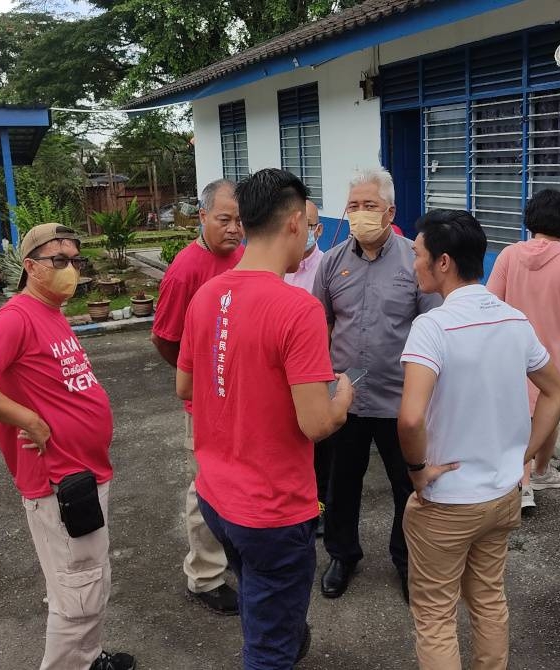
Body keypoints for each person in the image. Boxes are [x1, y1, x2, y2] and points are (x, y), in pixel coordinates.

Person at [176, 168, 353, 668]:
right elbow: (317, 424)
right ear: (297, 222)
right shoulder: (297, 307)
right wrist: (342, 394)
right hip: (272, 510)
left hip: (217, 498)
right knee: (268, 652)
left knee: (261, 595)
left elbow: (185, 386)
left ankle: (285, 632)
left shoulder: (207, 295)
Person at [0, 223, 134, 670]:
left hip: (83, 472)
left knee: (86, 579)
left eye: (75, 260)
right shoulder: (17, 317)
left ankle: (87, 658)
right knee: (77, 593)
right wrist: (27, 419)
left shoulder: (52, 311)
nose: (70, 269)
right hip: (59, 482)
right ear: (30, 266)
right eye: (59, 261)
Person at [399, 209, 560, 669]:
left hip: (448, 499)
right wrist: (526, 455)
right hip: (502, 494)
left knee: (435, 616)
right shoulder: (514, 321)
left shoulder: (432, 327)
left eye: (417, 254)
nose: (412, 263)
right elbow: (558, 391)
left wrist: (418, 471)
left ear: (443, 262)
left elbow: (411, 418)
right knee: (490, 600)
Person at [313, 167, 442, 602]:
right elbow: (319, 328)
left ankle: (406, 561)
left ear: (390, 211)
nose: (360, 214)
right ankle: (342, 556)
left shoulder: (415, 260)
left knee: (407, 486)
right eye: (353, 206)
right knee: (341, 485)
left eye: (369, 206)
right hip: (345, 400)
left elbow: (432, 329)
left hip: (400, 399)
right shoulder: (330, 263)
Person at [151, 178, 244, 615]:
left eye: (240, 220)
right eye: (224, 219)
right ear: (202, 216)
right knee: (205, 487)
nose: (233, 228)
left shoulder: (244, 257)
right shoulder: (186, 269)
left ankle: (236, 557)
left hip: (242, 396)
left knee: (237, 481)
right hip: (205, 402)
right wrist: (198, 379)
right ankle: (204, 577)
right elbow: (165, 338)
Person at [486, 189, 560, 510]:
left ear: (529, 219)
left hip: (511, 351)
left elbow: (492, 302)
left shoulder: (508, 255)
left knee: (515, 418)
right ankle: (539, 472)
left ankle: (522, 483)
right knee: (548, 414)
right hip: (553, 355)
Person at [284, 199, 328, 532]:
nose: (302, 231)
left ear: (318, 229)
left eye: (310, 224)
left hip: (314, 371)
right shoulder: (279, 266)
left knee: (319, 446)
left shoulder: (326, 268)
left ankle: (319, 507)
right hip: (280, 374)